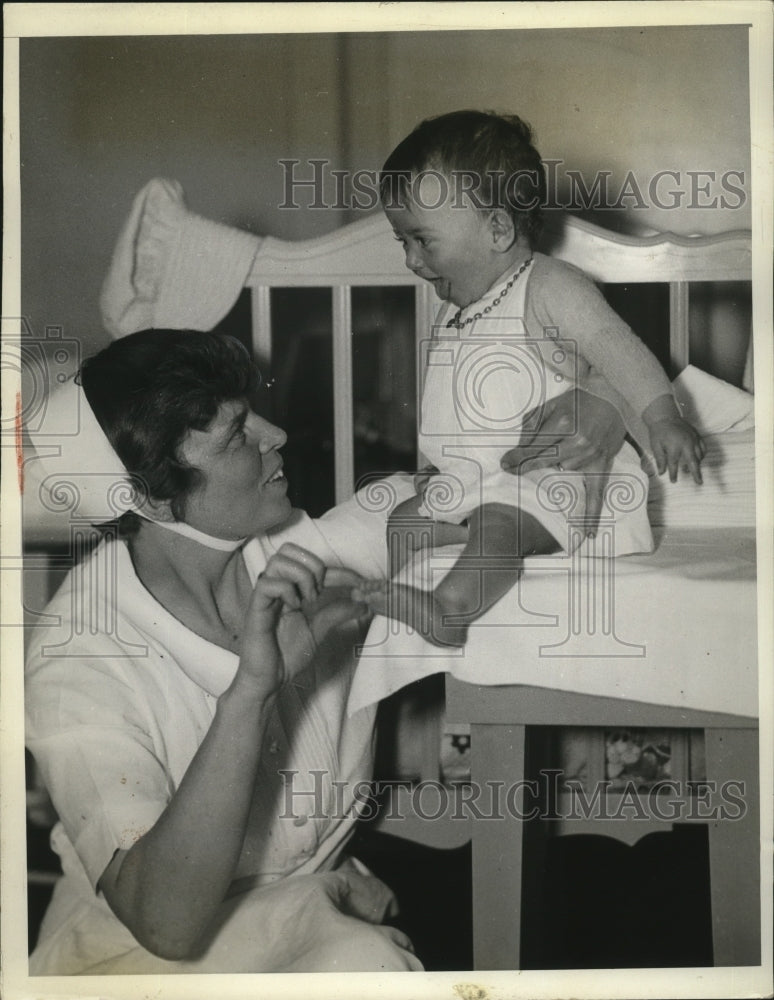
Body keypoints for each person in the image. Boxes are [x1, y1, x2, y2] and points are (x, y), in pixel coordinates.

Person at [25, 325, 634, 974]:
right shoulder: (78, 665)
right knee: (368, 962)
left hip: (307, 908)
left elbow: (487, 486)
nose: (276, 435)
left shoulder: (302, 554)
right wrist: (251, 692)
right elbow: (163, 924)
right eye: (237, 433)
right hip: (129, 961)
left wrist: (606, 401)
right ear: (148, 496)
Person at [356, 110, 705, 647]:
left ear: (497, 228)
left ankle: (451, 609)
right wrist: (442, 467)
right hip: (482, 485)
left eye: (423, 241)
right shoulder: (456, 307)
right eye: (402, 242)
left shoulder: (549, 286)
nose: (410, 260)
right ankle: (401, 609)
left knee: (498, 521)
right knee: (404, 522)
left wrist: (662, 417)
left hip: (554, 485)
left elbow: (618, 349)